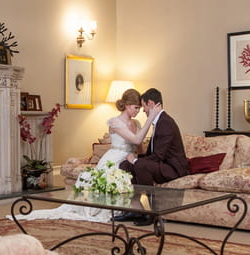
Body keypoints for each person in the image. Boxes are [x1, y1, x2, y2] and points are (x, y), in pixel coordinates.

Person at [10, 88, 157, 223]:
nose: (137, 111)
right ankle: (119, 210)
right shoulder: (115, 122)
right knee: (109, 182)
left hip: (130, 159)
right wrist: (150, 120)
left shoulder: (137, 123)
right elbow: (135, 139)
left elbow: (139, 146)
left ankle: (134, 211)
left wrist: (142, 161)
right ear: (126, 105)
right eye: (135, 107)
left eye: (139, 108)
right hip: (115, 157)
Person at [115, 88, 189, 226]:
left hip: (173, 169)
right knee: (125, 165)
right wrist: (134, 159)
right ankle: (135, 209)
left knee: (140, 164)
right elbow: (152, 154)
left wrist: (137, 160)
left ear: (150, 103)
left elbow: (158, 156)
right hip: (162, 164)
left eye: (143, 107)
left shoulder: (165, 122)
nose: (143, 111)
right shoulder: (159, 121)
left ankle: (152, 214)